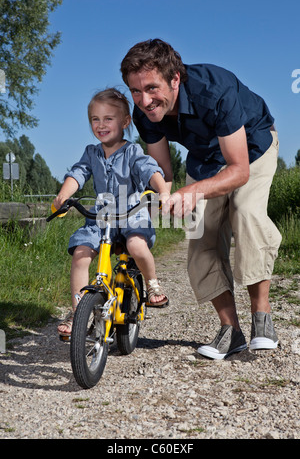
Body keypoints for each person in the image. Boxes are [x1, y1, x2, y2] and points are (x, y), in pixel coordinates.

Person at [120, 39, 282, 359]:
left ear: (175, 79)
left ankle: (261, 317)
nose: (144, 100)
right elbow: (163, 172)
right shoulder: (144, 113)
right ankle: (231, 331)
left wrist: (192, 191)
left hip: (251, 150)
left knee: (245, 211)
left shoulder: (214, 90)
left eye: (151, 88)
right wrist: (163, 197)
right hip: (205, 159)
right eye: (135, 91)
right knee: (201, 233)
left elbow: (238, 171)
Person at [54, 87, 170, 337]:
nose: (101, 124)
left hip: (131, 214)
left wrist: (163, 192)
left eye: (108, 118)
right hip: (102, 217)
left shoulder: (132, 152)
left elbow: (149, 169)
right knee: (81, 254)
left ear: (125, 122)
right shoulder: (91, 152)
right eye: (95, 119)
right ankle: (77, 312)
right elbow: (78, 173)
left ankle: (152, 285)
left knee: (137, 247)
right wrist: (64, 195)